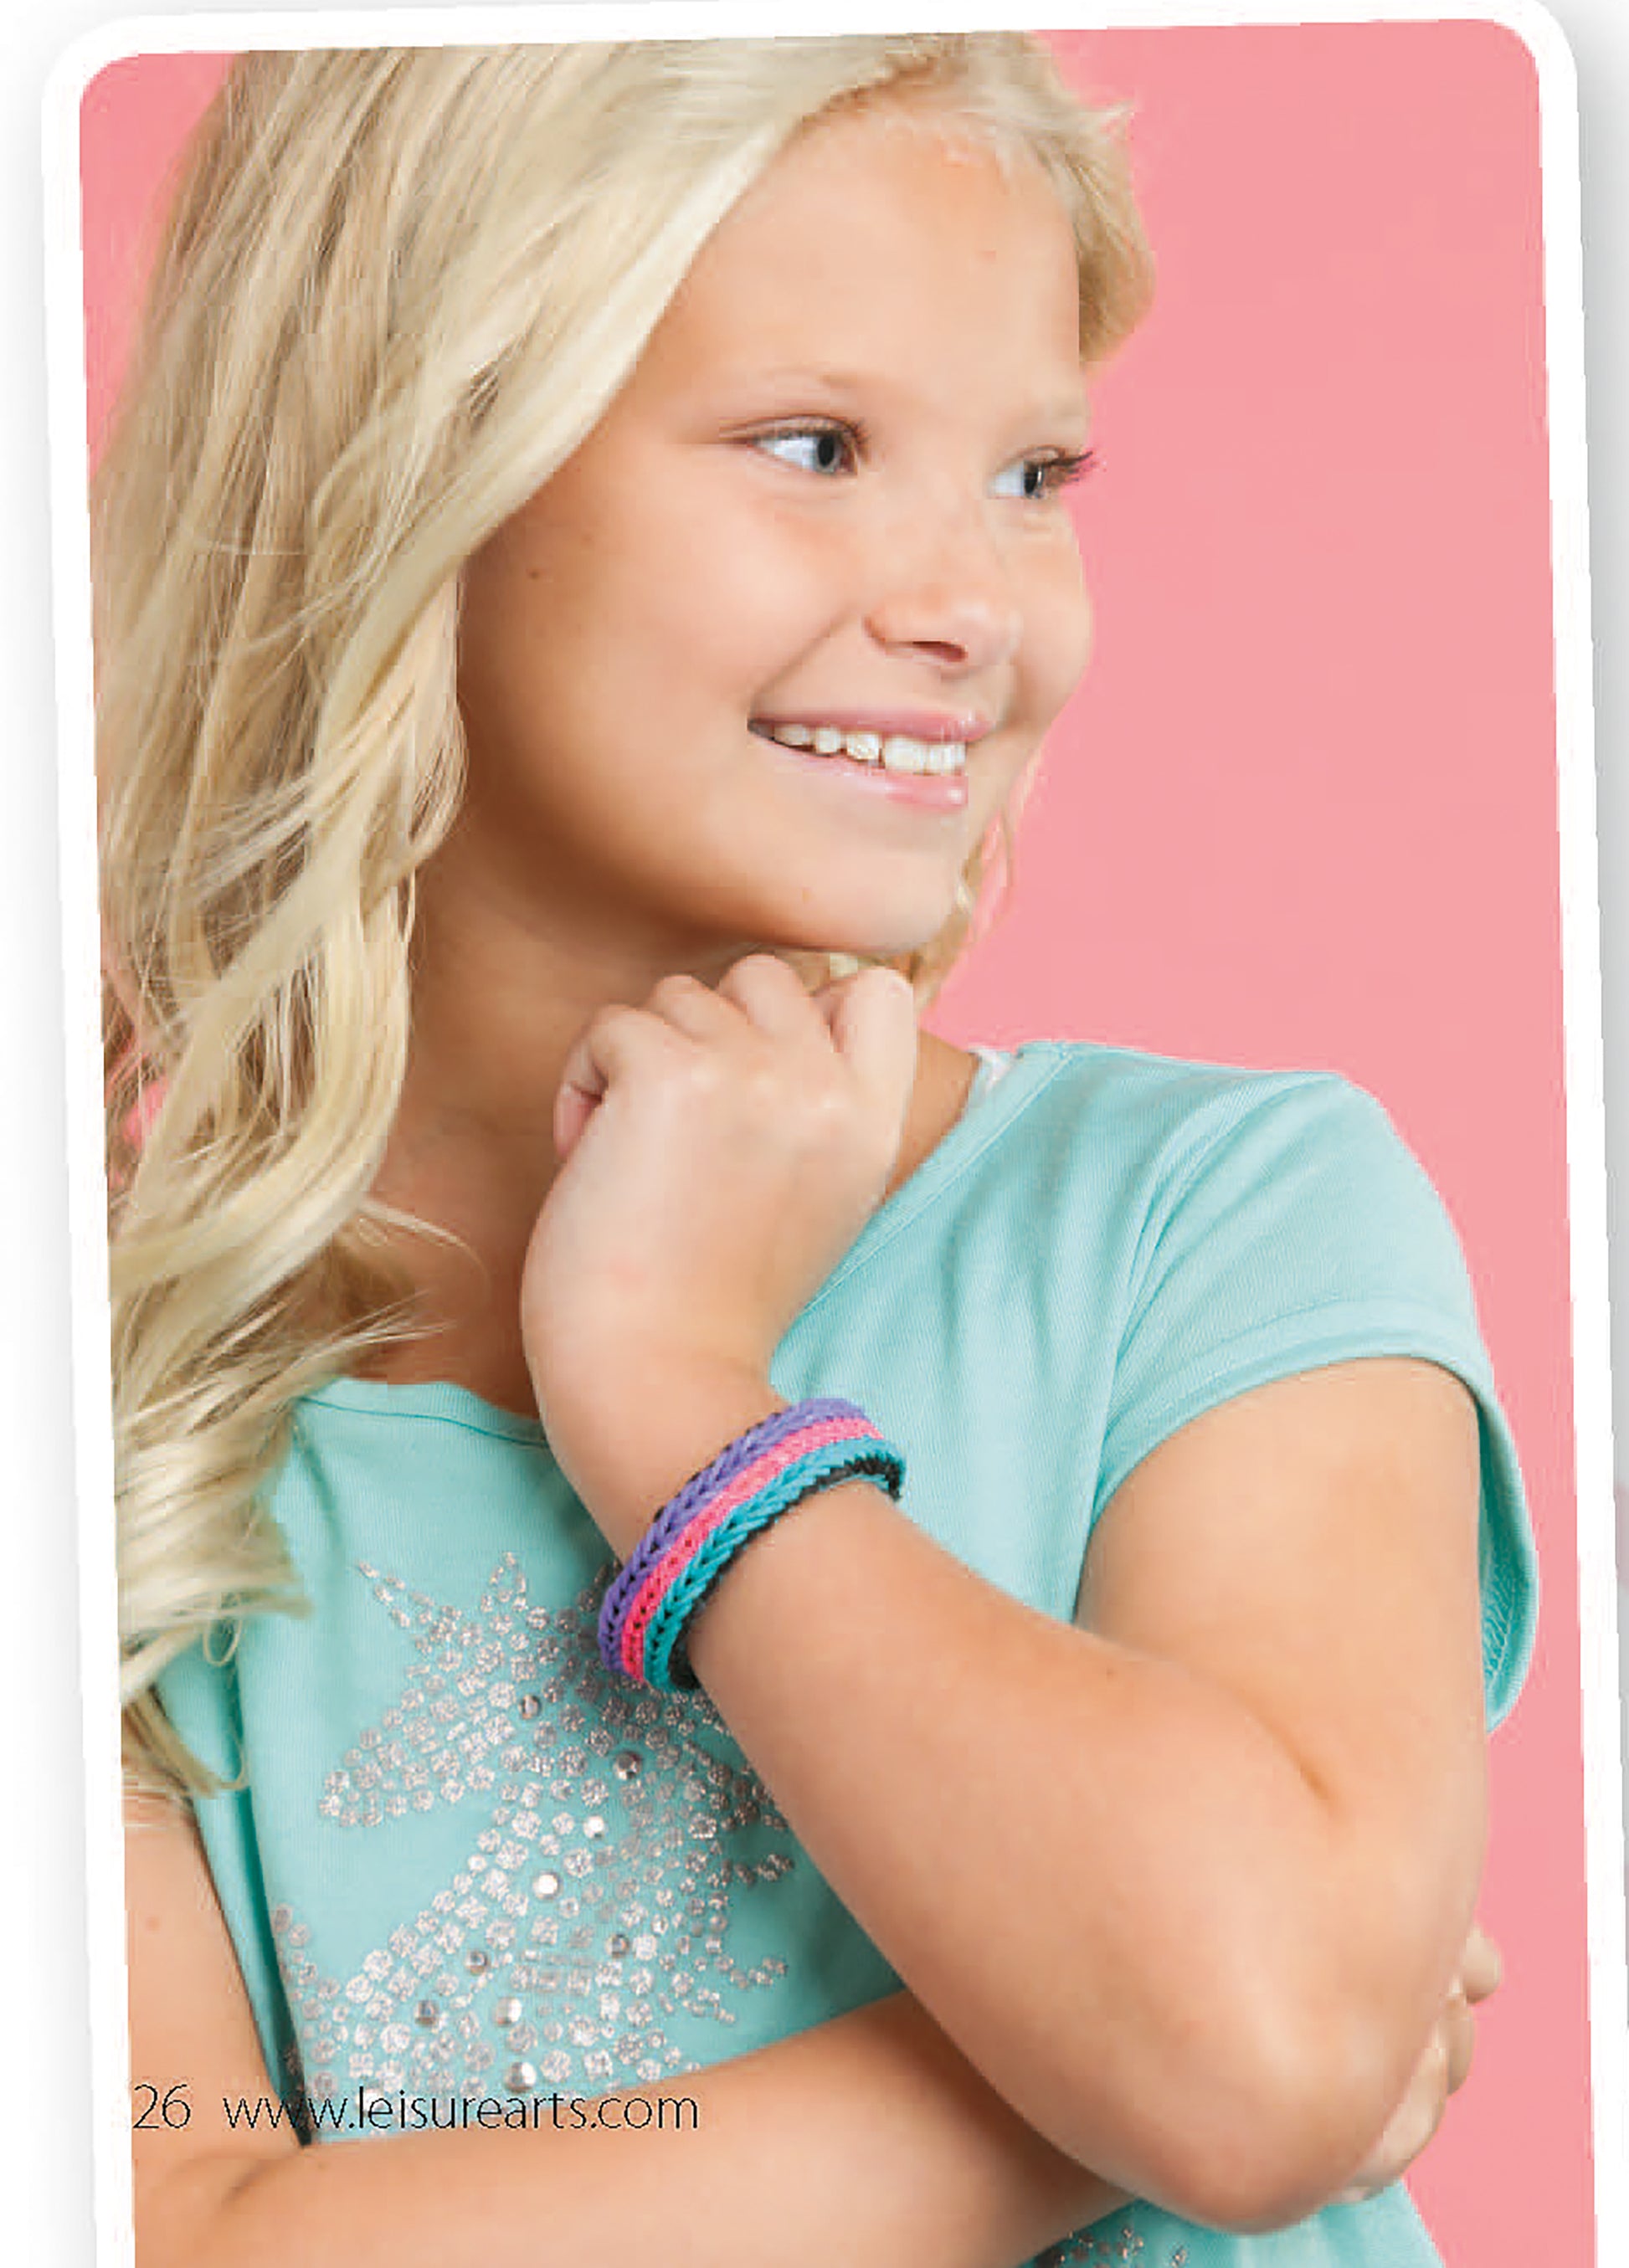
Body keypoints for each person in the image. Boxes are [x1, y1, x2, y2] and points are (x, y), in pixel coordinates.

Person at [99, 33, 1536, 2268]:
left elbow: (1259, 2051)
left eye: (1033, 476)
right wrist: (1112, 2079)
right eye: (818, 446)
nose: (973, 602)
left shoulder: (1209, 1224)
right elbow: (176, 2242)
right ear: (417, 465)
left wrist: (678, 1396)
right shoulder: (111, 1434)